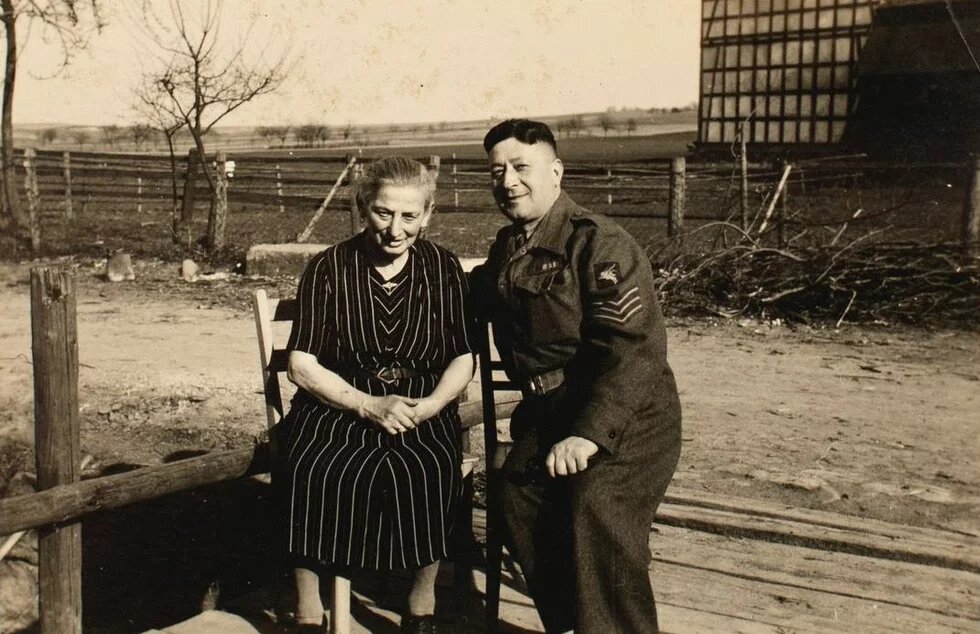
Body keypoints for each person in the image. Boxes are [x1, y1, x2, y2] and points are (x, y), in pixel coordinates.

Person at [471, 119, 682, 633]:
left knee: (596, 510)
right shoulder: (508, 248)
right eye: (498, 171)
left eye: (522, 167)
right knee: (516, 495)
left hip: (628, 417)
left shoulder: (600, 243)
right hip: (551, 414)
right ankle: (577, 623)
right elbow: (462, 299)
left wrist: (588, 434)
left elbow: (633, 351)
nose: (508, 182)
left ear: (557, 172)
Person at [278, 156, 474, 633]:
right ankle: (308, 606)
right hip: (340, 405)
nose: (395, 228)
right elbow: (301, 364)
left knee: (430, 465)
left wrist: (431, 406)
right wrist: (365, 404)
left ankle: (420, 602)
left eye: (409, 216)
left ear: (427, 215)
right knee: (315, 465)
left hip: (418, 407)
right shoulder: (329, 268)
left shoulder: (445, 268)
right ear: (364, 208)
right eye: (383, 213)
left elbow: (463, 357)